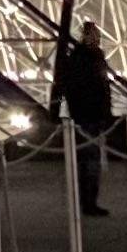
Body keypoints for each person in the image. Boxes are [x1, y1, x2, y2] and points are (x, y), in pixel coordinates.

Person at [48, 22, 114, 216]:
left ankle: (88, 201)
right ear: (86, 36)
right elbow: (98, 86)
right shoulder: (85, 58)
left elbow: (64, 85)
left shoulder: (81, 57)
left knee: (89, 161)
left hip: (89, 114)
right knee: (89, 161)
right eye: (94, 35)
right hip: (87, 114)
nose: (97, 38)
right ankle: (88, 203)